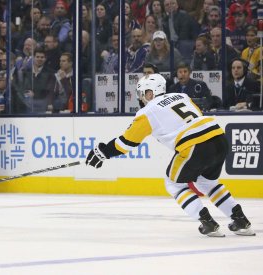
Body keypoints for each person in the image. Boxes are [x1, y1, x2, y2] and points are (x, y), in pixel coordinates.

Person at [86, 73, 255, 237]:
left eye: (142, 94)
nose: (141, 98)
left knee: (174, 184)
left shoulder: (148, 111)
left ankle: (207, 222)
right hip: (218, 137)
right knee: (207, 182)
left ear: (150, 93)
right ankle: (240, 220)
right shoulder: (182, 96)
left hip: (194, 144)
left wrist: (103, 152)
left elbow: (126, 143)